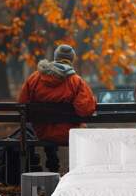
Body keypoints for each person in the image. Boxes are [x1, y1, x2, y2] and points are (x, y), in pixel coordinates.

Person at [18, 44, 97, 172]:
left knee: (48, 124)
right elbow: (85, 110)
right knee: (81, 128)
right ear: (71, 60)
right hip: (69, 133)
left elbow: (22, 105)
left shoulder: (34, 79)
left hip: (42, 133)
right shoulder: (76, 81)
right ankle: (74, 168)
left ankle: (52, 160)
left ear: (55, 58)